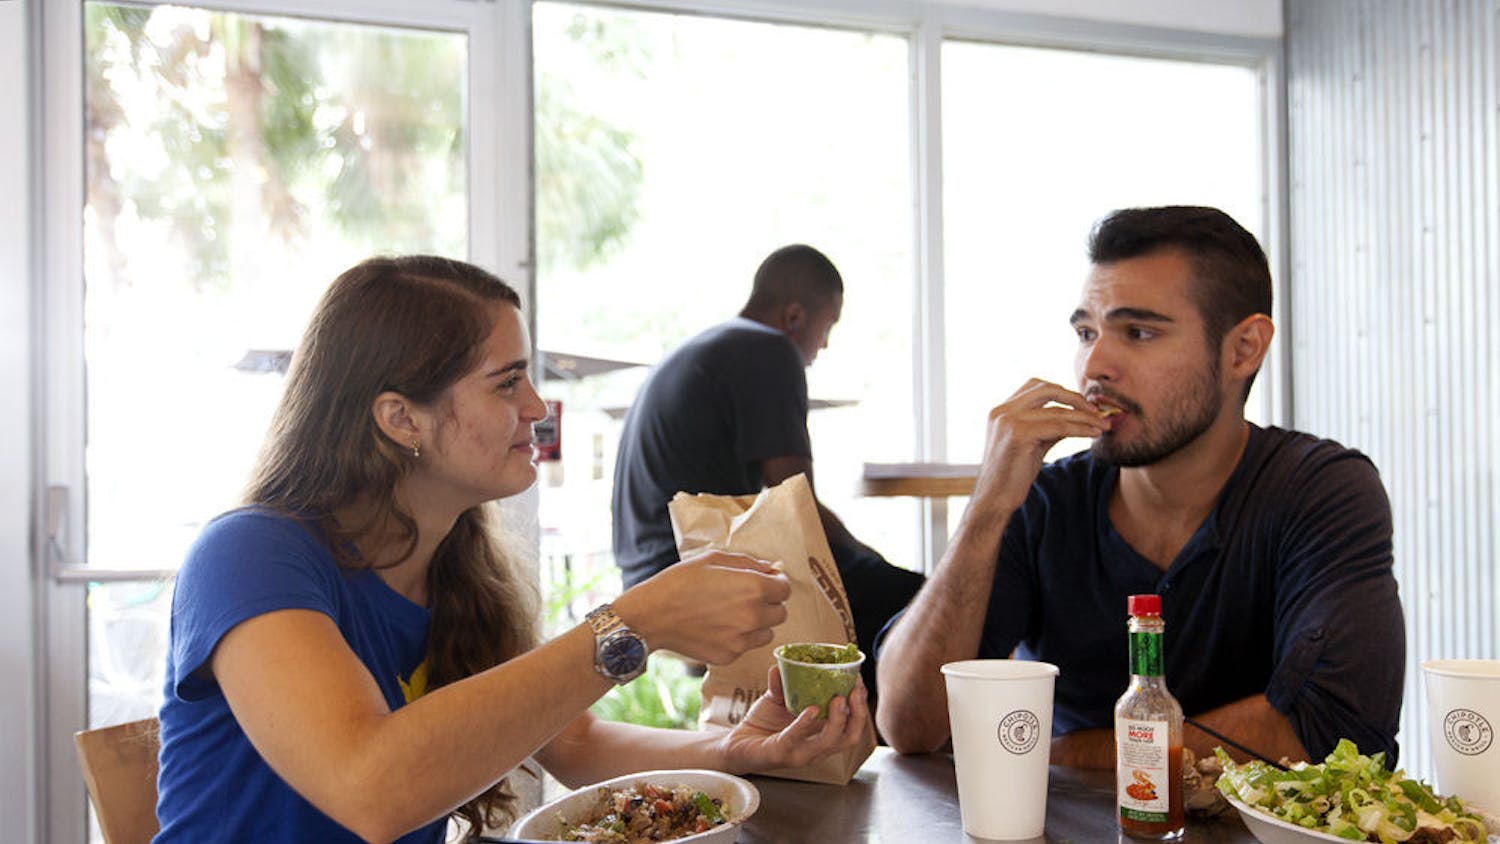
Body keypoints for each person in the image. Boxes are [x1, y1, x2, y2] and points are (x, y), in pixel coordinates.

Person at [154, 255, 869, 843]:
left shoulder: (455, 570)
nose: (536, 406)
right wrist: (633, 625)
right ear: (401, 418)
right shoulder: (247, 556)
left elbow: (576, 744)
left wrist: (735, 750)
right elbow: (369, 787)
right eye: (507, 382)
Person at [875, 206, 1405, 769]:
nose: (1095, 365)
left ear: (1243, 349)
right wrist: (987, 507)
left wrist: (1058, 756)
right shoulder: (1046, 500)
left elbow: (1337, 732)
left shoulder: (1320, 491)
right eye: (1086, 333)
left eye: (1139, 332)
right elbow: (910, 726)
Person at [611, 244, 924, 695]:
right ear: (795, 316)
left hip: (650, 574)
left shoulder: (709, 347)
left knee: (892, 598)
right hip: (695, 571)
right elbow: (795, 507)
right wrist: (871, 560)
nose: (826, 343)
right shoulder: (768, 350)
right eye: (828, 325)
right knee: (921, 610)